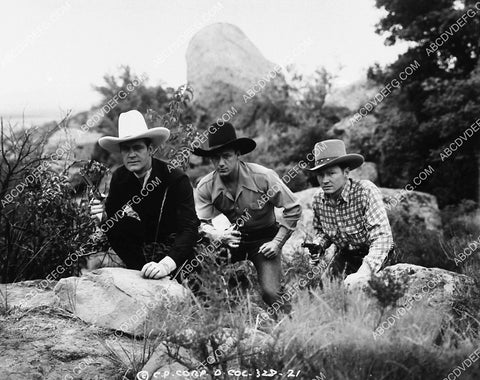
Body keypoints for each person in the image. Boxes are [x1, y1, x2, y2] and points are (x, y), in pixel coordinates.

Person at [193, 122, 302, 311]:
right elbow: (199, 223)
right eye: (215, 158)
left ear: (237, 154)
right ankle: (221, 312)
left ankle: (294, 324)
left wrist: (276, 243)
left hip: (265, 240)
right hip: (231, 239)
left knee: (271, 292)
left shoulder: (263, 176)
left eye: (226, 156)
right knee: (199, 267)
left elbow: (293, 208)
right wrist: (216, 235)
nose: (220, 163)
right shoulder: (205, 186)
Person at [90, 110, 199, 280]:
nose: (131, 154)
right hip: (146, 247)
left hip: (177, 250)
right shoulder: (120, 177)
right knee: (116, 224)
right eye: (126, 149)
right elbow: (113, 220)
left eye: (137, 148)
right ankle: (139, 272)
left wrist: (166, 264)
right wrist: (101, 218)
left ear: (150, 149)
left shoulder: (175, 177)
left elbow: (189, 228)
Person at [305, 139, 394, 287]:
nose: (325, 180)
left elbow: (382, 238)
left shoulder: (365, 191)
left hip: (379, 255)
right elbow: (323, 232)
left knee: (371, 294)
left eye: (331, 173)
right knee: (325, 291)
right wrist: (318, 246)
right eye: (320, 175)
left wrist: (364, 272)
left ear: (346, 173)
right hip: (346, 256)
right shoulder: (318, 199)